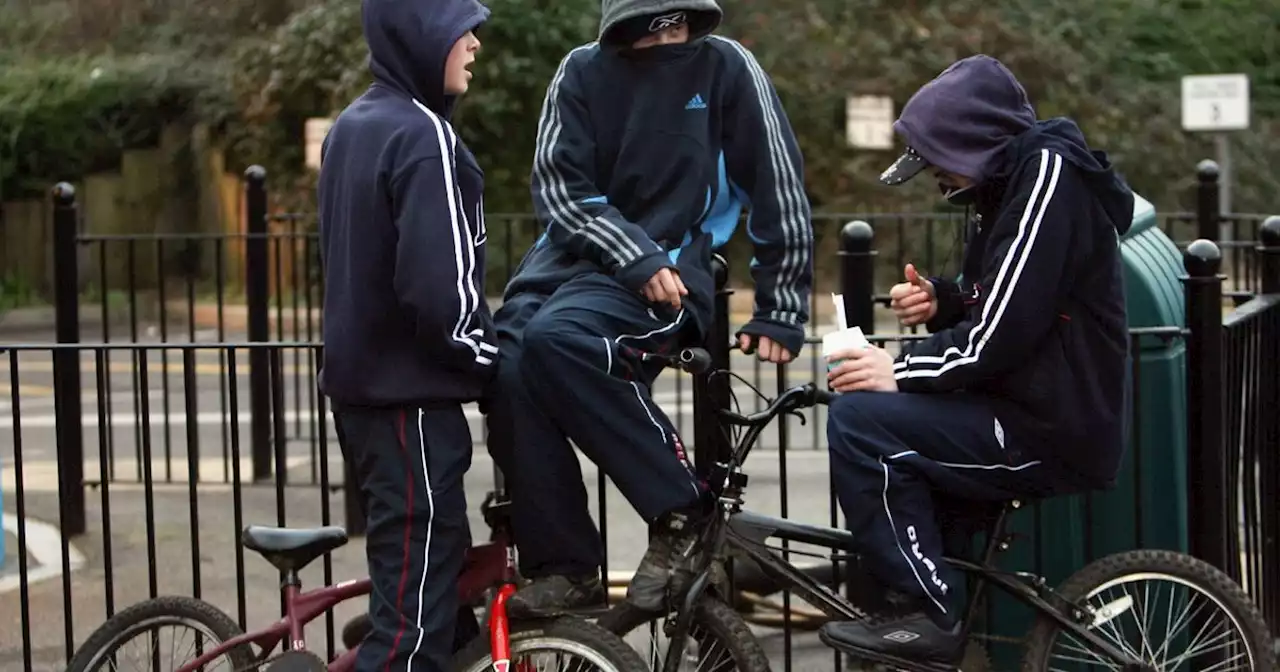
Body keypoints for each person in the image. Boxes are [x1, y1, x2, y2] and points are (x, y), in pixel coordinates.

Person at [484, 0, 815, 617]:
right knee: (505, 365)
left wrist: (783, 303)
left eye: (680, 25)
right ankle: (564, 566)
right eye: (654, 28)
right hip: (575, 263)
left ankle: (686, 512)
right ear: (622, 27)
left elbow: (778, 183)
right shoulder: (580, 71)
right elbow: (561, 187)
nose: (671, 39)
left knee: (561, 339)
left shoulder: (727, 67)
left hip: (673, 265)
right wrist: (628, 252)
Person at [816, 54, 1135, 667]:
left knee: (861, 425)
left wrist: (898, 369)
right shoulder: (1007, 185)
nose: (934, 176)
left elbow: (1001, 334)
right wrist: (943, 300)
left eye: (936, 159)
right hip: (1020, 404)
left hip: (1049, 424)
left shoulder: (1046, 175)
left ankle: (929, 613)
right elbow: (1007, 296)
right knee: (879, 414)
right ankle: (937, 618)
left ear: (971, 141)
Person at [315, 0, 494, 669]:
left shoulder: (352, 125)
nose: (474, 42)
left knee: (435, 586)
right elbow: (436, 290)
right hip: (410, 403)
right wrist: (487, 360)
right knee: (409, 627)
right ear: (422, 35)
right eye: (460, 28)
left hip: (363, 396)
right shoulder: (425, 138)